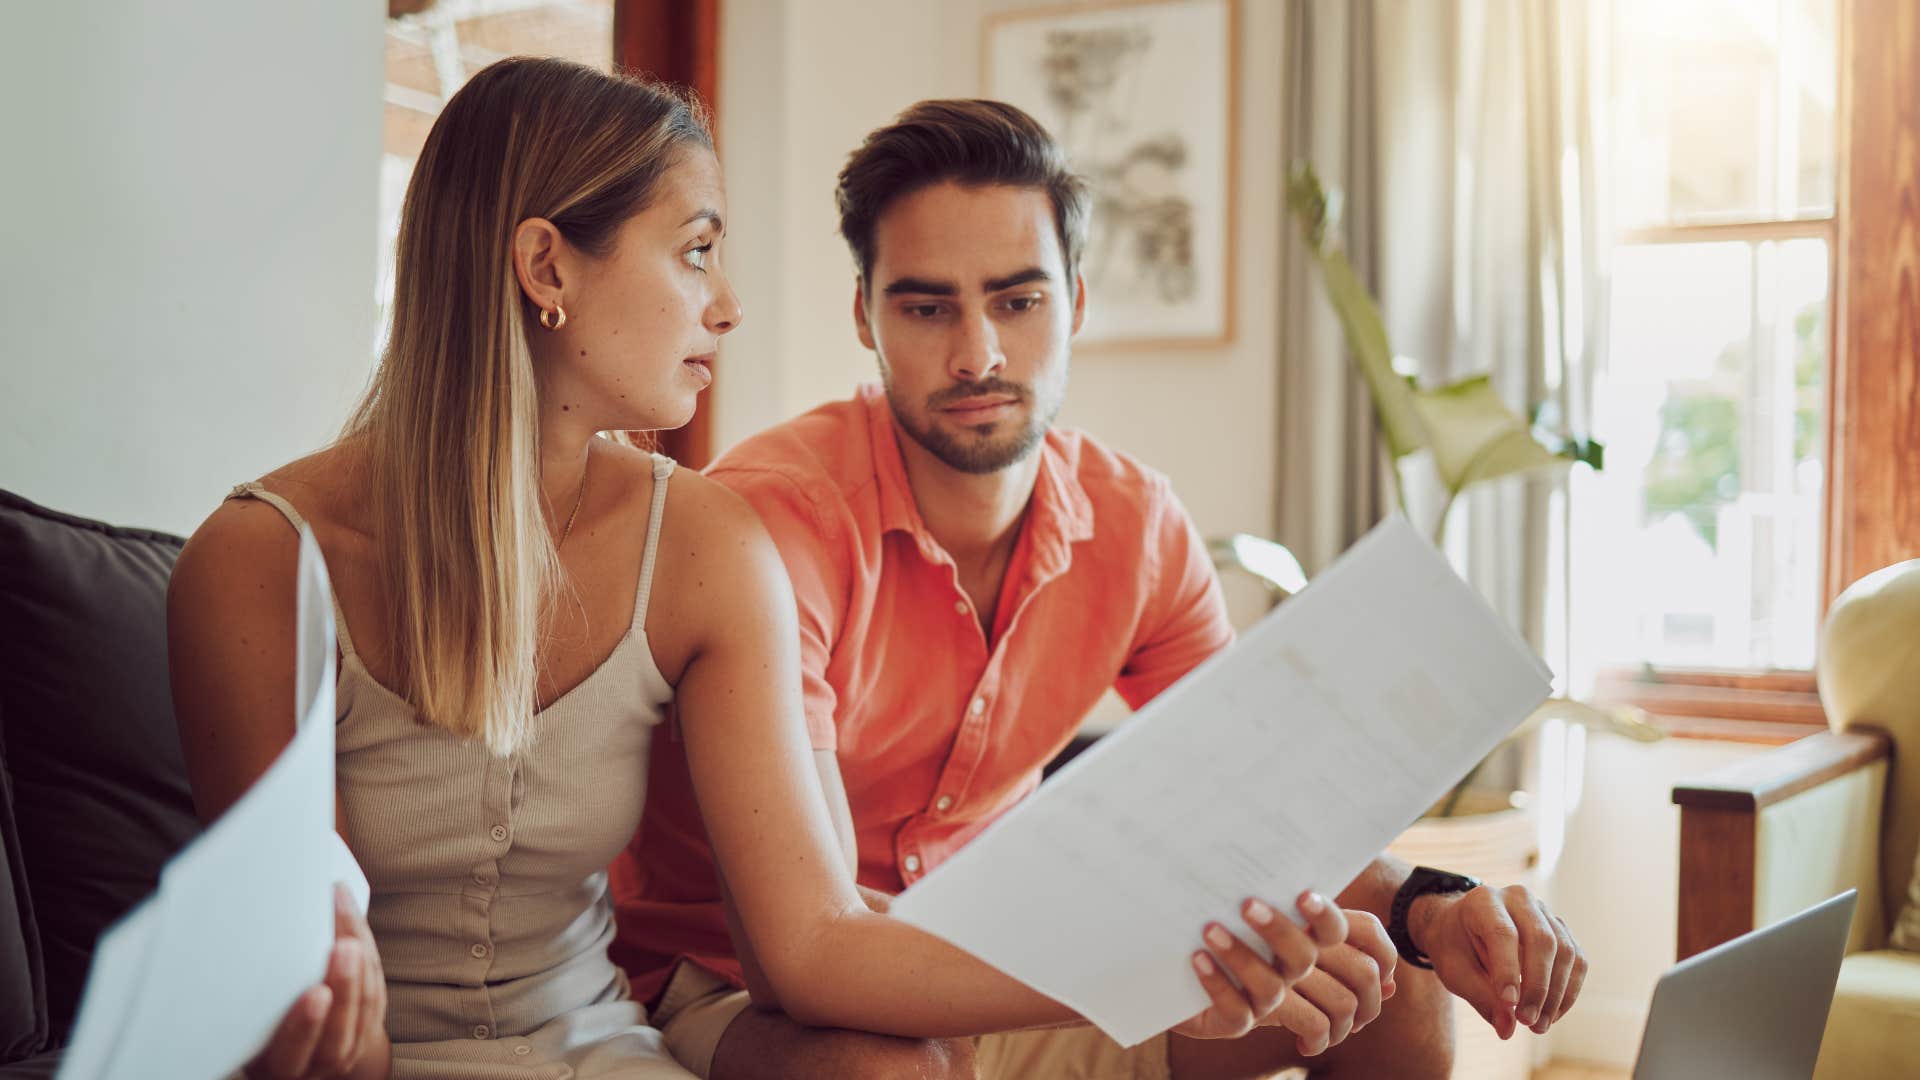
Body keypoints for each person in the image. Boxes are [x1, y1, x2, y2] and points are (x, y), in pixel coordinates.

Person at [166, 61, 1338, 1080]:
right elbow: (301, 1022)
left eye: (1019, 299)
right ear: (545, 269)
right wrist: (326, 1029)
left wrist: (1177, 951)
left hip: (598, 1046)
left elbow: (814, 944)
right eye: (695, 254)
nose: (727, 308)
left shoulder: (704, 544)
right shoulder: (260, 563)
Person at [612, 99, 1590, 1080]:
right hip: (737, 977)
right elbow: (814, 959)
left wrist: (1433, 906)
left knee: (1391, 990)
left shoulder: (1135, 525)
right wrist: (1141, 972)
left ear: (1075, 303)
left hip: (993, 957)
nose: (979, 354)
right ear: (864, 314)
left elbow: (1258, 803)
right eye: (926, 306)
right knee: (887, 1073)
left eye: (1017, 300)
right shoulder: (776, 524)